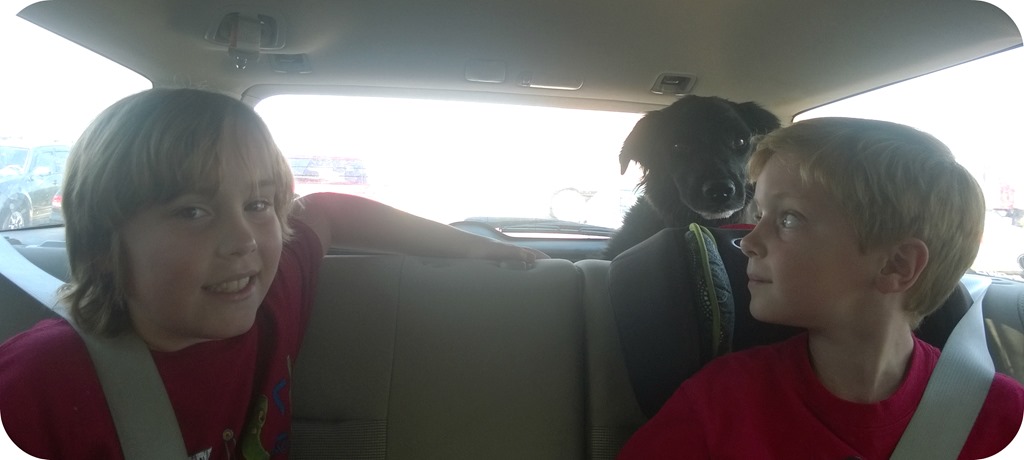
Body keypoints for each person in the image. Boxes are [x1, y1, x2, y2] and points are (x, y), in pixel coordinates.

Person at [0, 88, 544, 459]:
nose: (243, 240)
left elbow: (327, 210)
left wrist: (469, 247)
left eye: (258, 205)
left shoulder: (271, 300)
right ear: (101, 244)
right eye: (193, 211)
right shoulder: (38, 381)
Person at [617, 117, 1024, 459]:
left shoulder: (998, 415)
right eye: (759, 215)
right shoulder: (721, 399)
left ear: (896, 265)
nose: (748, 242)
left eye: (788, 219)